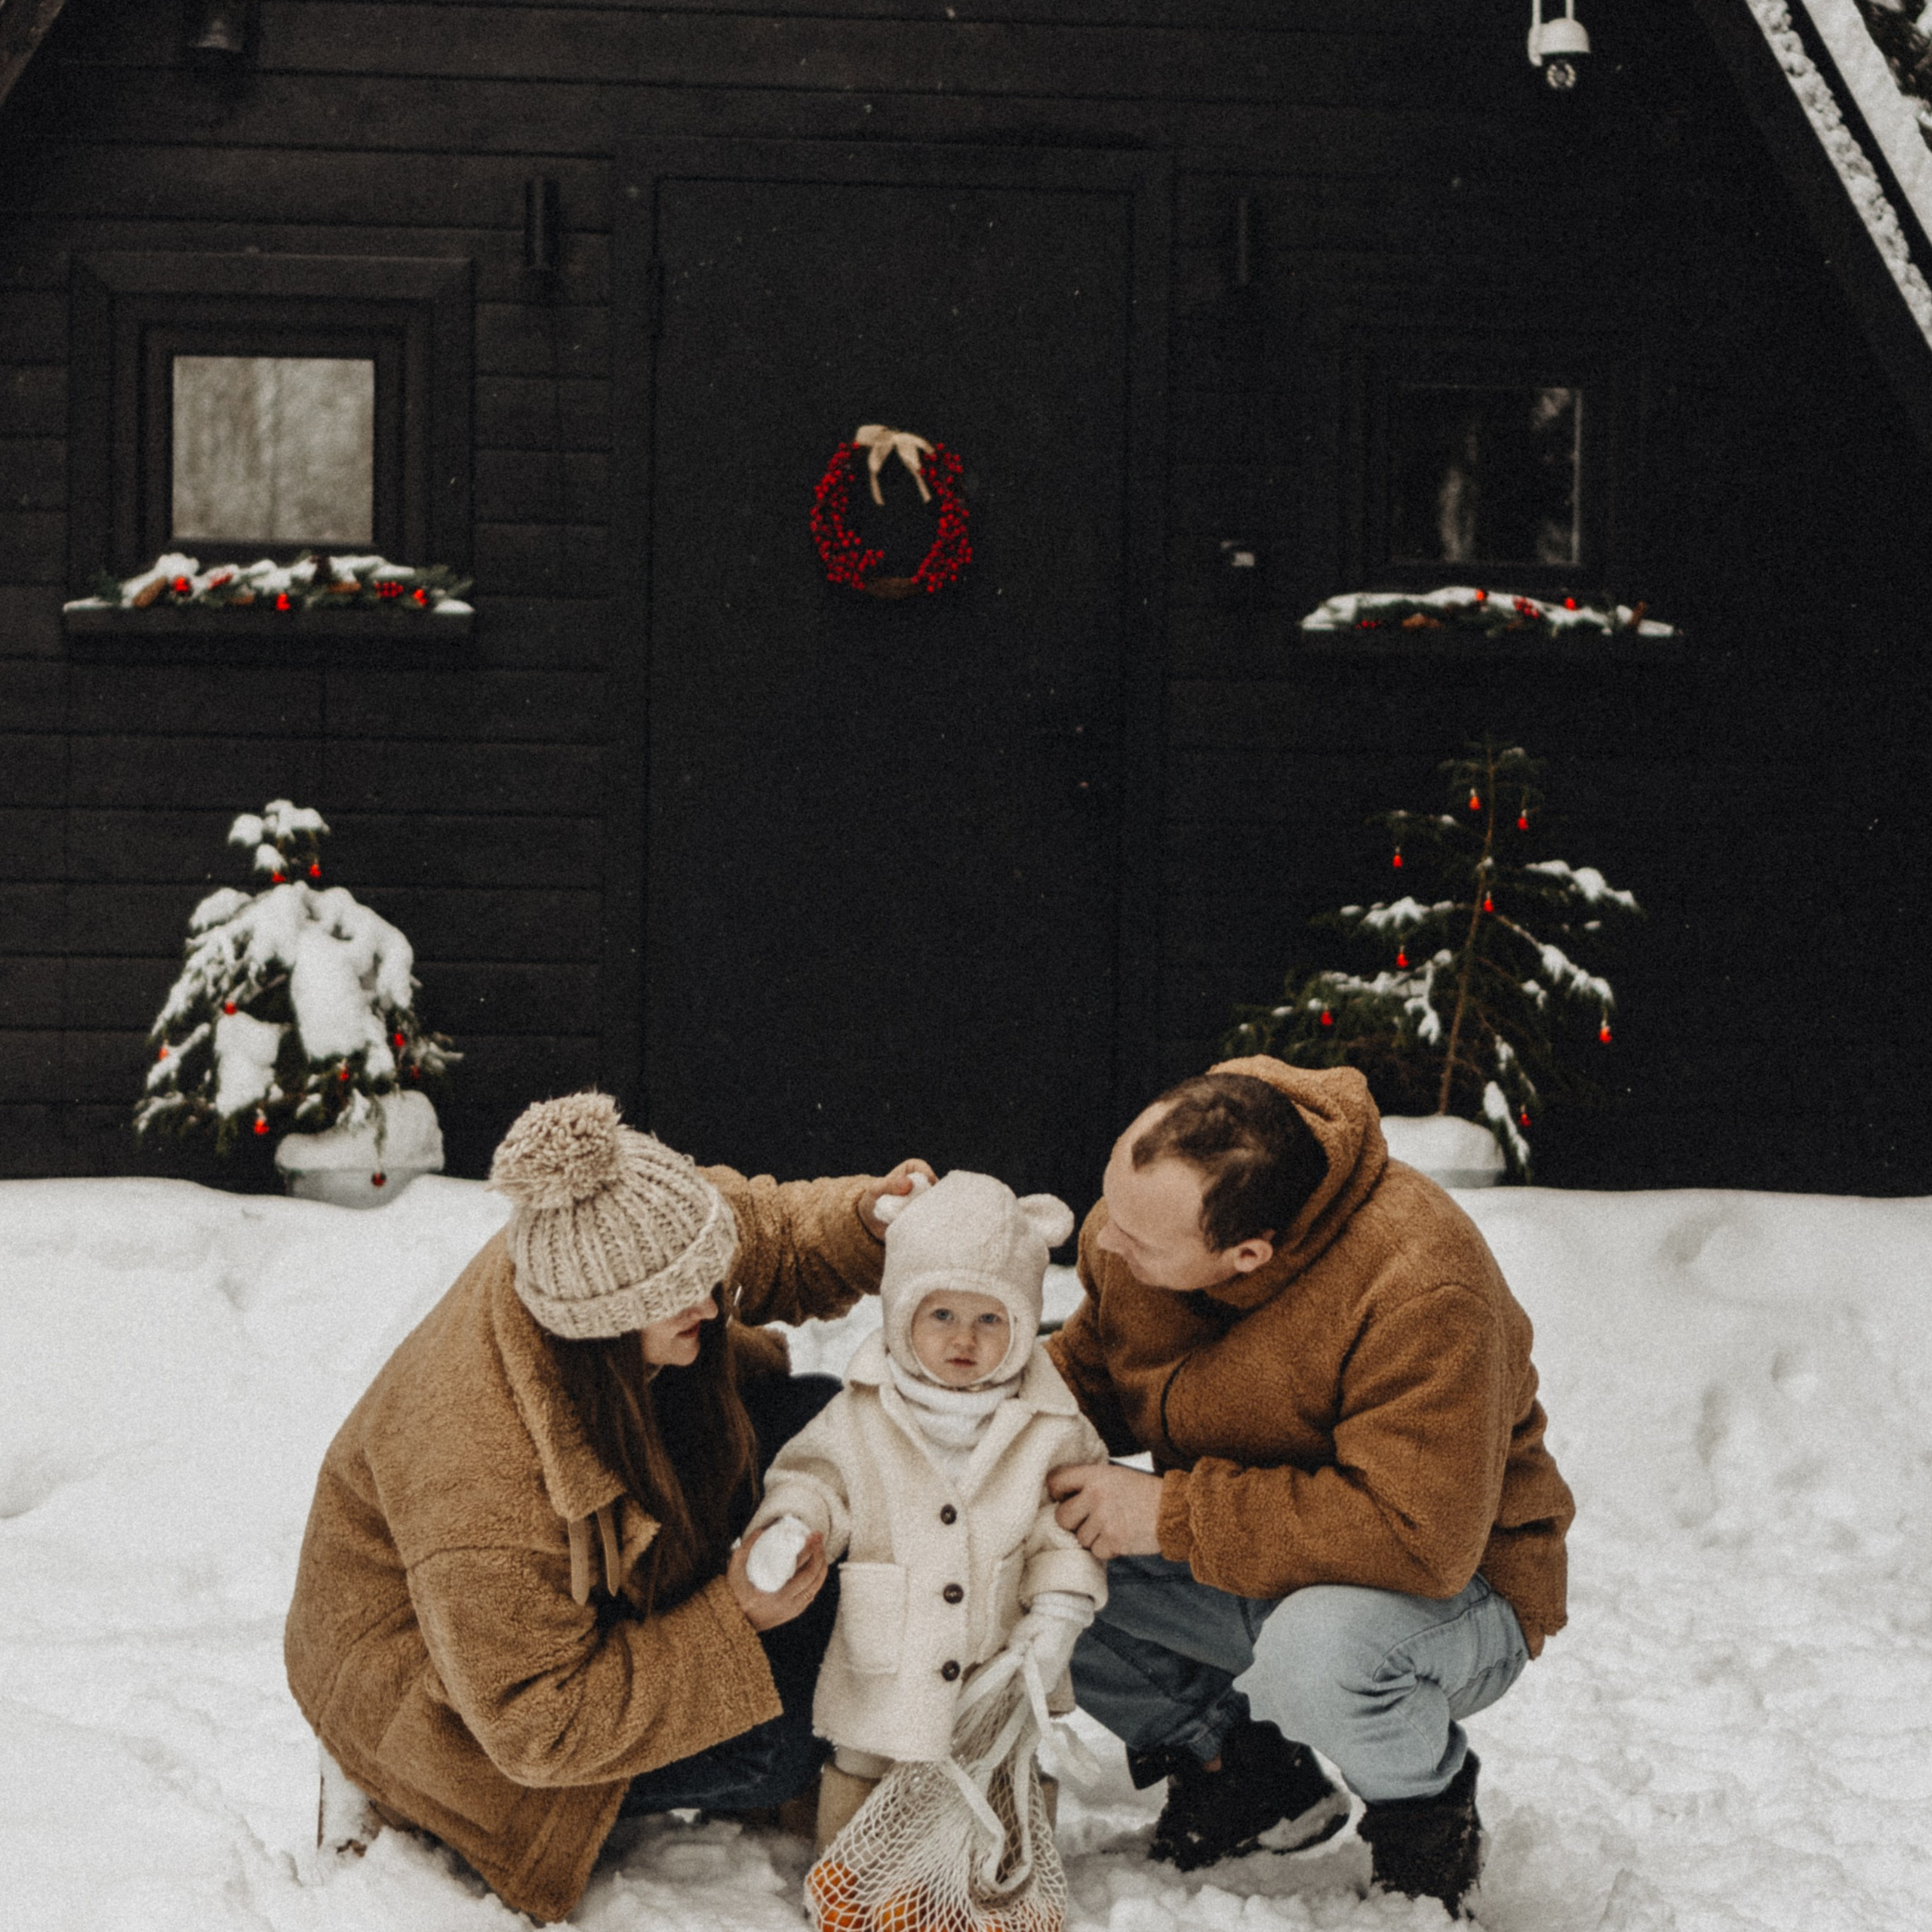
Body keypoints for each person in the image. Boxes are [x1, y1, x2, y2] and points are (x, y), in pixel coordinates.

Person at [283, 1090, 932, 1924]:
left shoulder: (620, 1223)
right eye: (681, 1296)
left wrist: (866, 1219)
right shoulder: (479, 1476)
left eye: (705, 1280)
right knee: (777, 1738)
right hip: (446, 1701)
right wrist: (733, 1619)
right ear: (604, 1320)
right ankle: (395, 1791)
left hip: (524, 1607)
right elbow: (538, 1725)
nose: (711, 1305)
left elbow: (759, 1232)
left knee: (820, 1425)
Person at [1044, 1058, 1575, 1916]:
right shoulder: (1143, 1222)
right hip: (1257, 1554)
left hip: (1455, 1590)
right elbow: (1095, 1375)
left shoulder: (1420, 1284)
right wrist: (967, 1414)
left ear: (1246, 1255)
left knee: (1320, 1654)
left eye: (1138, 1240)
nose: (1106, 1242)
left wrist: (1173, 1514)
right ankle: (1241, 1775)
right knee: (1021, 1542)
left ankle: (1427, 1820)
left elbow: (1420, 1537)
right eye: (1111, 1202)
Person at [742, 1169, 1109, 1848]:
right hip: (890, 1649)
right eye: (941, 1315)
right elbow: (816, 1479)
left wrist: (1060, 1606)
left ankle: (995, 1880)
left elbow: (1066, 1527)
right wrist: (791, 1526)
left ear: (1024, 1321)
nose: (964, 1339)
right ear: (902, 1313)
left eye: (990, 1319)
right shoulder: (862, 1411)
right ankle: (855, 1875)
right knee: (869, 1760)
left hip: (1001, 1653)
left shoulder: (1052, 1426)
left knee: (998, 1768)